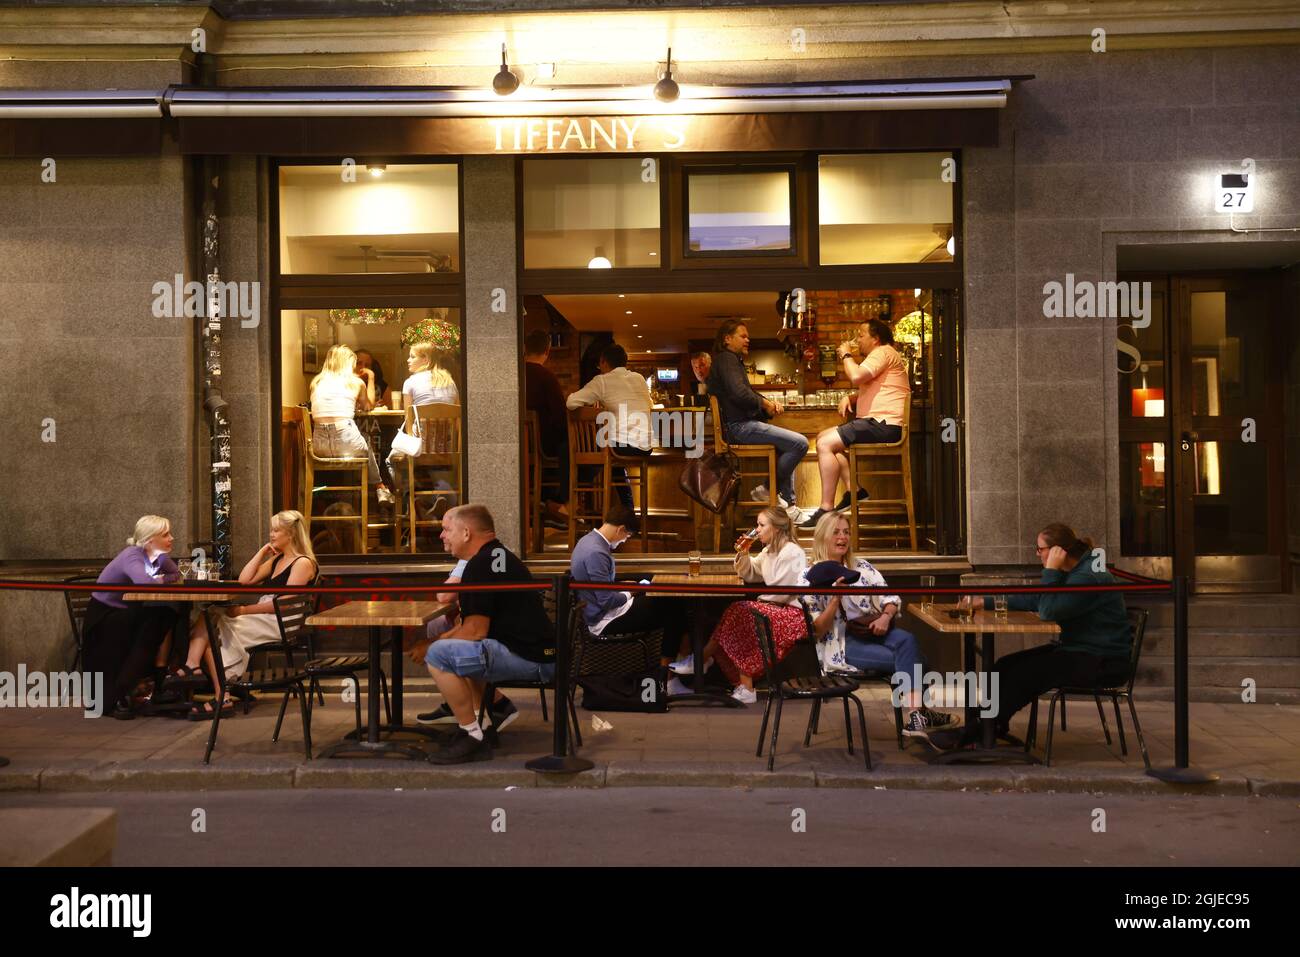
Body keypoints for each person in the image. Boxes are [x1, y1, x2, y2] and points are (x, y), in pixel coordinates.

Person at [956, 523, 1132, 745]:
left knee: (1024, 674)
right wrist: (985, 601)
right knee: (1003, 666)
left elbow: (1048, 611)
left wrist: (1051, 570)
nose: (1038, 554)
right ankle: (991, 726)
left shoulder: (1087, 576)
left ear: (1058, 551)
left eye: (1040, 549)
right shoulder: (1077, 571)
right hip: (1081, 650)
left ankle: (982, 728)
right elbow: (1039, 599)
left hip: (1102, 661)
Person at [800, 510, 957, 742]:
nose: (842, 537)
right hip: (842, 644)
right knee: (918, 660)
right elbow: (817, 631)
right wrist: (835, 598)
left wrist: (885, 617)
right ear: (823, 536)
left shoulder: (862, 567)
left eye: (846, 532)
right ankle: (921, 714)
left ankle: (916, 716)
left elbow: (891, 598)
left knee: (907, 640)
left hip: (871, 631)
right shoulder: (808, 576)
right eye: (836, 533)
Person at [424, 505, 555, 764]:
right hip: (541, 654)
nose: (442, 536)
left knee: (438, 656)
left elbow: (474, 631)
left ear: (466, 533)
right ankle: (483, 726)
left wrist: (431, 644)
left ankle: (471, 736)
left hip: (536, 661)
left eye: (447, 530)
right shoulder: (492, 557)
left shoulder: (481, 565)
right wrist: (445, 637)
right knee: (455, 651)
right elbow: (472, 629)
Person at [168, 511, 319, 718]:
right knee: (209, 616)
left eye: (276, 530)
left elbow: (284, 605)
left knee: (215, 628)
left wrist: (244, 611)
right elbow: (245, 580)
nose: (271, 534)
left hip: (281, 621)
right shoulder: (277, 560)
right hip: (265, 615)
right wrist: (262, 552)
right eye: (271, 530)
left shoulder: (302, 563)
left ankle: (220, 692)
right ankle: (199, 671)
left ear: (291, 534)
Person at [801, 319, 910, 527]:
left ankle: (825, 509)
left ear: (875, 339)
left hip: (883, 424)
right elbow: (880, 387)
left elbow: (857, 376)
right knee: (824, 438)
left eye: (861, 335)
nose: (857, 339)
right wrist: (852, 398)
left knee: (824, 444)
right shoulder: (884, 355)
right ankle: (855, 490)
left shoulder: (882, 352)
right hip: (880, 422)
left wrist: (845, 354)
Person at [570, 502, 691, 691]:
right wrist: (630, 592)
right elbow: (606, 601)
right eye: (627, 536)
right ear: (620, 529)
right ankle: (669, 677)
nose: (624, 541)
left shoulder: (587, 541)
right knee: (672, 606)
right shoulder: (597, 552)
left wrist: (623, 588)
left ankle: (676, 669)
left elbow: (602, 590)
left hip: (602, 611)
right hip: (604, 619)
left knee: (671, 604)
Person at [696, 506, 807, 704]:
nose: (757, 530)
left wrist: (759, 601)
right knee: (739, 615)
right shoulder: (768, 551)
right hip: (775, 610)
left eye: (762, 525)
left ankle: (703, 658)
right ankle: (740, 683)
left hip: (793, 616)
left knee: (740, 611)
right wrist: (744, 552)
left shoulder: (793, 552)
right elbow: (749, 573)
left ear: (776, 529)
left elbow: (785, 592)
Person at [706, 319, 808, 524]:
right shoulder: (727, 359)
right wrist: (765, 404)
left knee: (784, 447)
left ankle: (789, 504)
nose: (747, 339)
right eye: (742, 336)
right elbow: (740, 393)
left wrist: (766, 403)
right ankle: (768, 489)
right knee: (800, 443)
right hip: (739, 427)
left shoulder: (729, 360)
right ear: (727, 339)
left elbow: (743, 393)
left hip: (739, 426)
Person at [83, 515, 181, 719]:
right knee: (158, 620)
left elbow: (176, 575)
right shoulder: (133, 555)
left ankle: (158, 681)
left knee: (168, 614)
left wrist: (160, 574)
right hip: (106, 616)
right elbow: (144, 584)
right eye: (165, 535)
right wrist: (161, 579)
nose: (172, 538)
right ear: (150, 540)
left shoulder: (157, 555)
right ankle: (123, 691)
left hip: (126, 611)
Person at [566, 341, 653, 510]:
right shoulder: (639, 378)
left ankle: (576, 502)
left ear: (604, 362)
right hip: (646, 446)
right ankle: (628, 513)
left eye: (600, 364)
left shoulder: (602, 381)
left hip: (622, 446)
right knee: (612, 462)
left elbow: (571, 402)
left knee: (589, 452)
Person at [309, 344, 395, 505]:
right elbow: (368, 406)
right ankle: (380, 487)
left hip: (319, 447)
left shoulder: (316, 382)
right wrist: (370, 378)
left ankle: (331, 500)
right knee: (366, 439)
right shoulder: (355, 382)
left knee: (361, 440)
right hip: (347, 443)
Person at [387, 341, 459, 515]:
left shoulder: (410, 382)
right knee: (438, 467)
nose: (408, 360)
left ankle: (410, 500)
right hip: (448, 447)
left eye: (412, 356)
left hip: (422, 446)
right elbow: (458, 418)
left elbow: (408, 417)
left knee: (391, 460)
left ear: (425, 359)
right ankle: (441, 497)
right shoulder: (450, 381)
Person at [523, 329, 570, 525]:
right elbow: (560, 418)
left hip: (520, 446)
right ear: (547, 351)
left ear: (524, 349)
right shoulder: (547, 377)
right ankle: (559, 503)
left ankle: (544, 504)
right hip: (544, 446)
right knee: (571, 448)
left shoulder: (513, 375)